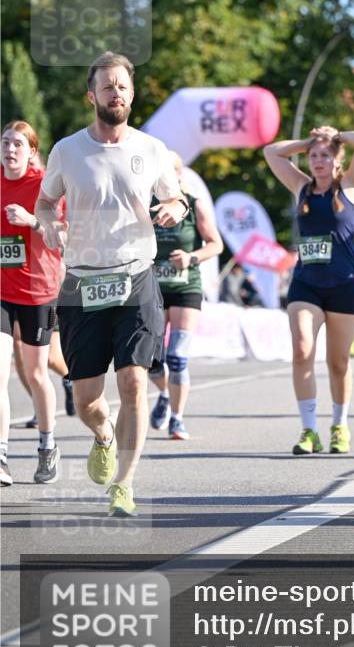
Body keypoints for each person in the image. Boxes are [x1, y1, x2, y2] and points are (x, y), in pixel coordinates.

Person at [36, 52, 187, 517]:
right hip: (82, 282)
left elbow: (176, 197)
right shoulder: (67, 150)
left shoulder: (151, 148)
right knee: (86, 399)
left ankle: (124, 483)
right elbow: (45, 203)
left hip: (136, 276)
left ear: (131, 93)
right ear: (92, 96)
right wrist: (48, 226)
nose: (115, 92)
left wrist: (174, 210)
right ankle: (103, 434)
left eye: (122, 85)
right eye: (106, 86)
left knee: (134, 381)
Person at [263, 125, 354, 455]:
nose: (318, 161)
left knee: (338, 361)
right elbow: (271, 152)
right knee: (301, 348)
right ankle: (308, 430)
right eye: (313, 156)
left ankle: (339, 425)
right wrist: (308, 142)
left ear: (338, 162)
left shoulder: (352, 187)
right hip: (306, 284)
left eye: (326, 156)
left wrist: (336, 135)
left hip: (345, 286)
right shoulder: (301, 187)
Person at [1, 121, 62, 486]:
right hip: (2, 291)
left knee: (37, 373)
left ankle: (47, 446)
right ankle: (2, 455)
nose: (10, 149)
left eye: (18, 144)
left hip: (39, 290)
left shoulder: (44, 187)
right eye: (5, 142)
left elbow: (64, 234)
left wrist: (33, 222)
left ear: (32, 151)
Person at [149, 151, 223, 440]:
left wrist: (191, 258)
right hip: (153, 289)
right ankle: (166, 394)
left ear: (179, 175)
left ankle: (177, 419)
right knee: (153, 362)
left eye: (170, 172)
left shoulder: (194, 205)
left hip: (185, 288)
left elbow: (216, 245)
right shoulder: (146, 205)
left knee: (177, 357)